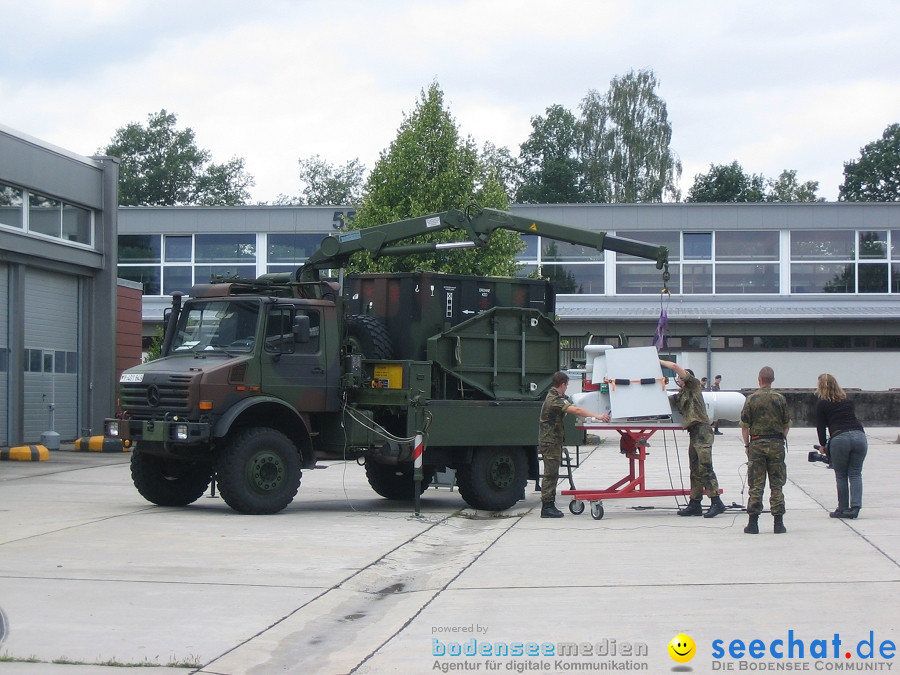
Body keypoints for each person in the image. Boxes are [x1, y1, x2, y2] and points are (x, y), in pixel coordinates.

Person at [659, 360, 726, 518]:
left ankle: (716, 501)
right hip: (693, 432)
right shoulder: (680, 395)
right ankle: (695, 502)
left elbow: (675, 367)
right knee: (695, 469)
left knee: (705, 467)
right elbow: (664, 400)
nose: (679, 380)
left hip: (702, 429)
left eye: (680, 378)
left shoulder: (694, 385)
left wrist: (657, 360)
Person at [539, 371, 610, 518]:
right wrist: (597, 416)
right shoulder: (554, 400)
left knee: (553, 473)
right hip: (550, 441)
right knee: (550, 474)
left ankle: (549, 505)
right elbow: (575, 409)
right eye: (567, 385)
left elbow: (572, 402)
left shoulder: (555, 396)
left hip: (552, 440)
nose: (567, 388)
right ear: (563, 384)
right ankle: (547, 507)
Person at [740, 366, 791, 534]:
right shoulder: (780, 399)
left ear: (759, 379)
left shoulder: (752, 399)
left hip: (757, 443)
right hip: (776, 444)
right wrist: (780, 439)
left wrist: (747, 445)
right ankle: (779, 523)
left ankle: (753, 523)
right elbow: (786, 424)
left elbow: (745, 426)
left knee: (756, 484)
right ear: (773, 380)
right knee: (777, 484)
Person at [815, 373, 867, 519]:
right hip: (859, 436)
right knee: (856, 473)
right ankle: (855, 507)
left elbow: (821, 427)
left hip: (840, 438)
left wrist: (823, 445)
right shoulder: (847, 400)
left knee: (841, 474)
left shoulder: (822, 403)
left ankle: (843, 508)